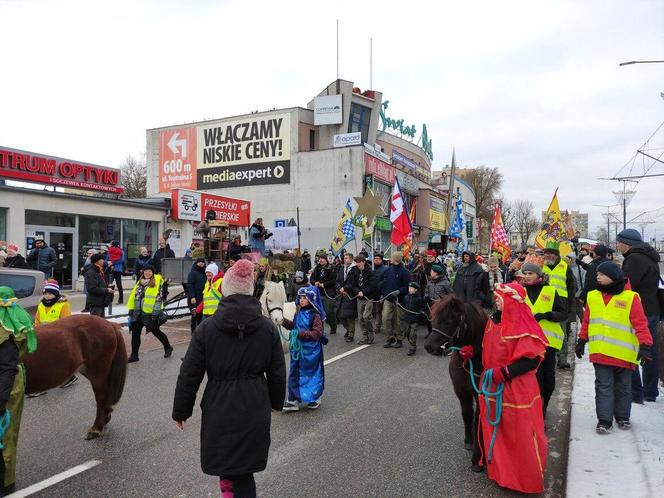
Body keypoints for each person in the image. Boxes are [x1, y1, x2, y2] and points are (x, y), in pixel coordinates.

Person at [172, 259, 286, 498]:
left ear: (226, 288)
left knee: (228, 465)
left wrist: (181, 410)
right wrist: (276, 402)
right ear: (250, 289)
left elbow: (190, 373)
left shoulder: (208, 328)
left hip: (219, 405)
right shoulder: (266, 328)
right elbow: (277, 370)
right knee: (244, 471)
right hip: (255, 403)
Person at [476, 282, 548, 494]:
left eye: (500, 297)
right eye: (495, 296)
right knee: (498, 432)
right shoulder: (493, 321)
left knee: (519, 435)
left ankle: (523, 479)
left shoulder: (523, 325)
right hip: (493, 387)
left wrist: (504, 373)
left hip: (516, 389)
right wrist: (471, 353)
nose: (496, 300)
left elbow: (532, 361)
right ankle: (501, 472)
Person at [575, 261, 653, 432]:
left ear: (613, 277)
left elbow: (640, 324)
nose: (598, 277)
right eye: (597, 274)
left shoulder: (630, 297)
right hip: (600, 352)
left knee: (624, 387)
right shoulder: (593, 296)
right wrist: (581, 340)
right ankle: (604, 420)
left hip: (623, 354)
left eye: (601, 274)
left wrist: (645, 345)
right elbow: (587, 320)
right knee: (603, 386)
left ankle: (623, 417)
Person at [615, 228, 661, 404]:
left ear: (626, 243)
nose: (617, 245)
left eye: (619, 241)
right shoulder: (648, 256)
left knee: (633, 349)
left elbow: (627, 285)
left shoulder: (634, 259)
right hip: (652, 308)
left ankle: (637, 392)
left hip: (640, 311)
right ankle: (650, 391)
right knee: (650, 350)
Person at [0, 287, 38, 495]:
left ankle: (6, 482)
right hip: (11, 378)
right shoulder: (14, 320)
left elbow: (7, 366)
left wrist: (1, 398)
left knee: (6, 434)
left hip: (8, 385)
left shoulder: (5, 327)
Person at [521, 262, 566, 419]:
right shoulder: (520, 292)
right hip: (527, 344)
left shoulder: (550, 291)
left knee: (548, 380)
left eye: (530, 273)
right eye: (525, 273)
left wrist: (547, 315)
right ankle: (538, 414)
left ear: (539, 275)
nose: (527, 276)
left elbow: (563, 314)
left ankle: (544, 404)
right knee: (535, 379)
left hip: (548, 344)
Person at [281, 286, 327, 411]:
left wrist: (300, 333)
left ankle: (314, 398)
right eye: (300, 298)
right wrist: (283, 322)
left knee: (312, 373)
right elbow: (294, 326)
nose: (301, 300)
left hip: (312, 351)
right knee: (294, 372)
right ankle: (293, 400)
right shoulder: (298, 313)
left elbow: (317, 334)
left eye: (304, 298)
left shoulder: (315, 315)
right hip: (297, 350)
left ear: (310, 300)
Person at [127, 265, 173, 363]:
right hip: (138, 313)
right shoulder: (139, 282)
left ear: (152, 273)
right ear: (143, 272)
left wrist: (155, 314)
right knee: (135, 334)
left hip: (150, 314)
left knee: (156, 332)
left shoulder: (156, 283)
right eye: (146, 271)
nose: (147, 273)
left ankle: (168, 347)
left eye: (149, 271)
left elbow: (158, 299)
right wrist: (131, 310)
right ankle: (134, 355)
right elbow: (133, 296)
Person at [382, 252, 411, 349]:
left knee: (399, 320)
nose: (390, 259)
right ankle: (390, 337)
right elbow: (384, 283)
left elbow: (407, 286)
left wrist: (399, 291)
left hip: (400, 300)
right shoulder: (387, 270)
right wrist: (383, 293)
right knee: (385, 318)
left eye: (392, 257)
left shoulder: (405, 272)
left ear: (396, 259)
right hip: (388, 299)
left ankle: (399, 339)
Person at [311, 252, 338, 335]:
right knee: (318, 312)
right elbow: (312, 278)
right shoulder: (317, 268)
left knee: (329, 311)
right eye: (319, 259)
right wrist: (314, 282)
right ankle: (320, 329)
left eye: (322, 258)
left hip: (328, 293)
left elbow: (334, 280)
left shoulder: (332, 268)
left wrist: (324, 284)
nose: (320, 260)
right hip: (318, 293)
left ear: (326, 259)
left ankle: (333, 326)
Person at [352, 255, 376, 345]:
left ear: (363, 262)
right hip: (359, 298)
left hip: (368, 297)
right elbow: (353, 284)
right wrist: (357, 291)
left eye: (359, 262)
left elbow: (373, 285)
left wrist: (364, 292)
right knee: (360, 318)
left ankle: (370, 334)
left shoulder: (370, 272)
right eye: (356, 262)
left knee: (366, 316)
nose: (357, 264)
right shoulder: (355, 271)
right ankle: (364, 336)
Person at [336, 253, 359, 343]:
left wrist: (345, 288)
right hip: (342, 294)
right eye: (344, 258)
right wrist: (340, 288)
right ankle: (348, 329)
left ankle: (351, 334)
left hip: (350, 295)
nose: (344, 259)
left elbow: (354, 283)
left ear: (351, 259)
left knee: (350, 315)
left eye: (346, 258)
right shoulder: (342, 268)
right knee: (340, 315)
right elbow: (337, 280)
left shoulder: (355, 269)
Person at [400, 282, 425, 356]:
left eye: (411, 288)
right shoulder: (406, 297)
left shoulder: (419, 299)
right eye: (409, 288)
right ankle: (411, 342)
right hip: (407, 318)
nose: (409, 290)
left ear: (416, 290)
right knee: (407, 333)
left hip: (415, 319)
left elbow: (422, 307)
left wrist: (421, 312)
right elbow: (403, 306)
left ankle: (412, 347)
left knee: (412, 333)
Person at [186, 257, 207, 334]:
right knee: (195, 315)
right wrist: (192, 296)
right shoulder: (193, 273)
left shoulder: (205, 272)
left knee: (201, 316)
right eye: (200, 262)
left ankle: (199, 332)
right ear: (196, 263)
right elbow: (190, 285)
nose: (201, 263)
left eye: (203, 262)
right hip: (195, 298)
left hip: (202, 298)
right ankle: (193, 332)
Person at [371, 253, 388, 335]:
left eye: (377, 258)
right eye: (375, 258)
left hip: (382, 293)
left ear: (381, 260)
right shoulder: (373, 269)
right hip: (374, 293)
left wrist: (378, 286)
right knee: (376, 310)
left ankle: (377, 326)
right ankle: (378, 325)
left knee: (379, 310)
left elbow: (385, 281)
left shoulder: (384, 269)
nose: (376, 260)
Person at [107, 240, 125, 305]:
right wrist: (114, 263)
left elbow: (107, 259)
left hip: (110, 269)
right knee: (119, 285)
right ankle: (121, 300)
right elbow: (122, 260)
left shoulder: (110, 250)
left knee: (109, 284)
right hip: (118, 269)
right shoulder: (121, 251)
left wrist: (112, 263)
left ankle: (109, 300)